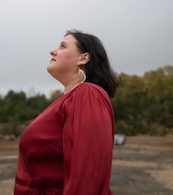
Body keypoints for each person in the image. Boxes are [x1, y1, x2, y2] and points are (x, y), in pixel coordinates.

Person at [14, 29, 118, 195]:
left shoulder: (88, 94)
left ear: (83, 58)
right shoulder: (62, 103)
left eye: (63, 46)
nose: (52, 51)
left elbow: (88, 170)